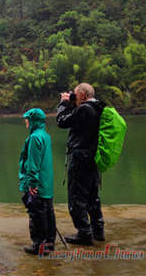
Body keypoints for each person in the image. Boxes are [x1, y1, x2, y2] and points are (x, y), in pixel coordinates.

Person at [57, 82, 106, 245]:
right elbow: (75, 121)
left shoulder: (84, 109)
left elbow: (62, 121)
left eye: (75, 94)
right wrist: (73, 104)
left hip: (79, 158)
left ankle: (84, 233)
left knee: (76, 196)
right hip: (92, 158)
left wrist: (64, 103)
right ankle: (98, 230)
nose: (73, 96)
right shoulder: (97, 108)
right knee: (92, 196)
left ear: (83, 95)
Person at [19, 108, 56, 255]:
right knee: (48, 213)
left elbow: (33, 164)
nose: (25, 122)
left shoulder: (34, 138)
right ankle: (49, 243)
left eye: (27, 119)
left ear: (33, 120)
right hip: (46, 182)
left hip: (38, 184)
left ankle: (39, 245)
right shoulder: (45, 135)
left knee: (36, 214)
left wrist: (31, 184)